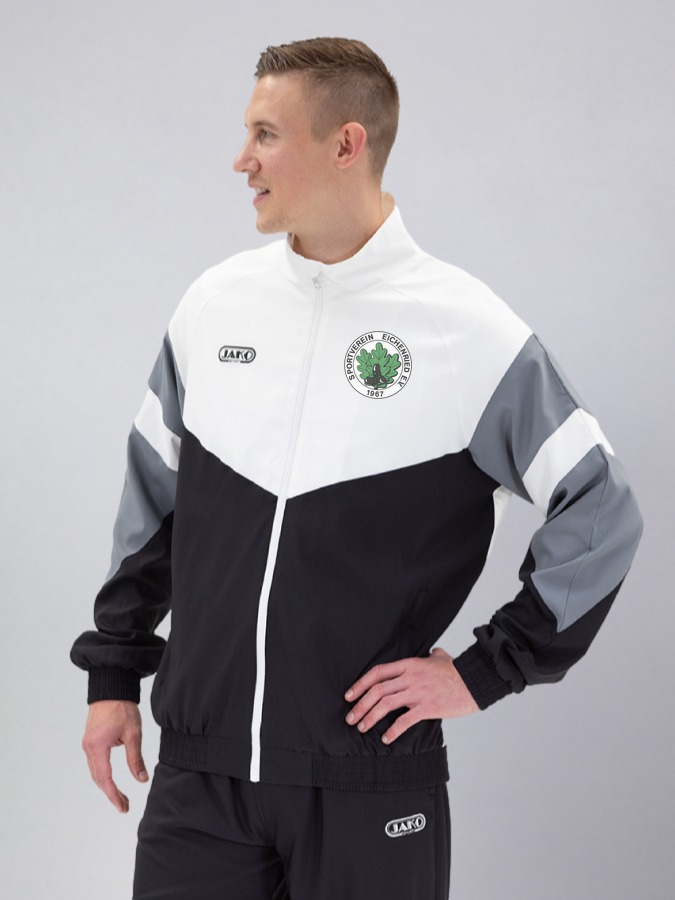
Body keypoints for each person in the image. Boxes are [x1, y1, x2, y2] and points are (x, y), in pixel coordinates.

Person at [71, 37, 643, 900]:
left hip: (366, 779)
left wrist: (488, 668)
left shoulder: (465, 329)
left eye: (265, 134)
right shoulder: (213, 307)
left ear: (346, 143)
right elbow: (153, 502)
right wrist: (114, 674)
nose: (240, 159)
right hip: (200, 780)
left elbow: (599, 505)